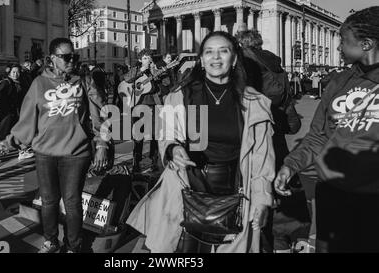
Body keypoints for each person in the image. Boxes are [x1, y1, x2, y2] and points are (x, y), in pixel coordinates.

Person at [126, 31, 275, 253]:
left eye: (223, 51)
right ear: (202, 61)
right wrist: (173, 149)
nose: (216, 57)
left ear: (234, 60)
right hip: (186, 186)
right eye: (209, 52)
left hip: (236, 190)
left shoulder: (254, 102)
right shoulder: (182, 95)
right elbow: (167, 132)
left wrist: (263, 198)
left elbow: (263, 156)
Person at [275, 6, 379, 253]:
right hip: (333, 194)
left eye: (343, 41)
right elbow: (317, 136)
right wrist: (291, 165)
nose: (338, 48)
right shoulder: (338, 82)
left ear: (366, 44)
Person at [0, 38, 109, 253]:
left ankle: (73, 246)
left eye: (74, 57)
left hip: (76, 153)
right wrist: (9, 142)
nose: (72, 61)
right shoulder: (39, 83)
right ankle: (51, 241)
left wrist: (102, 144)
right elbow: (27, 120)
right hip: (45, 154)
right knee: (48, 202)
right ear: (53, 59)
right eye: (67, 57)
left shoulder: (83, 80)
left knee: (72, 202)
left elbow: (100, 114)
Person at [237, 29, 305, 252]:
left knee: (258, 177)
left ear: (242, 42)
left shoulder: (246, 62)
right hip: (277, 125)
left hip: (258, 124)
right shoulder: (273, 60)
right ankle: (284, 236)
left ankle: (262, 233)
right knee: (278, 174)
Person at [123, 49, 162, 173]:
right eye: (145, 58)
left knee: (156, 135)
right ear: (140, 60)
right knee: (138, 135)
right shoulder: (136, 69)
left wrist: (159, 73)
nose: (148, 60)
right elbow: (127, 78)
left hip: (154, 104)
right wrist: (141, 71)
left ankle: (154, 160)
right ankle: (136, 161)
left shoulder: (155, 69)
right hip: (139, 105)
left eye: (149, 57)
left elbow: (166, 83)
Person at [0, 64, 30, 163]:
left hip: (14, 113)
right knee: (2, 134)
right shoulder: (6, 83)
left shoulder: (18, 83)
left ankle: (22, 151)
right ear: (9, 73)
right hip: (6, 113)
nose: (16, 74)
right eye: (13, 72)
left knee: (17, 132)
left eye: (17, 72)